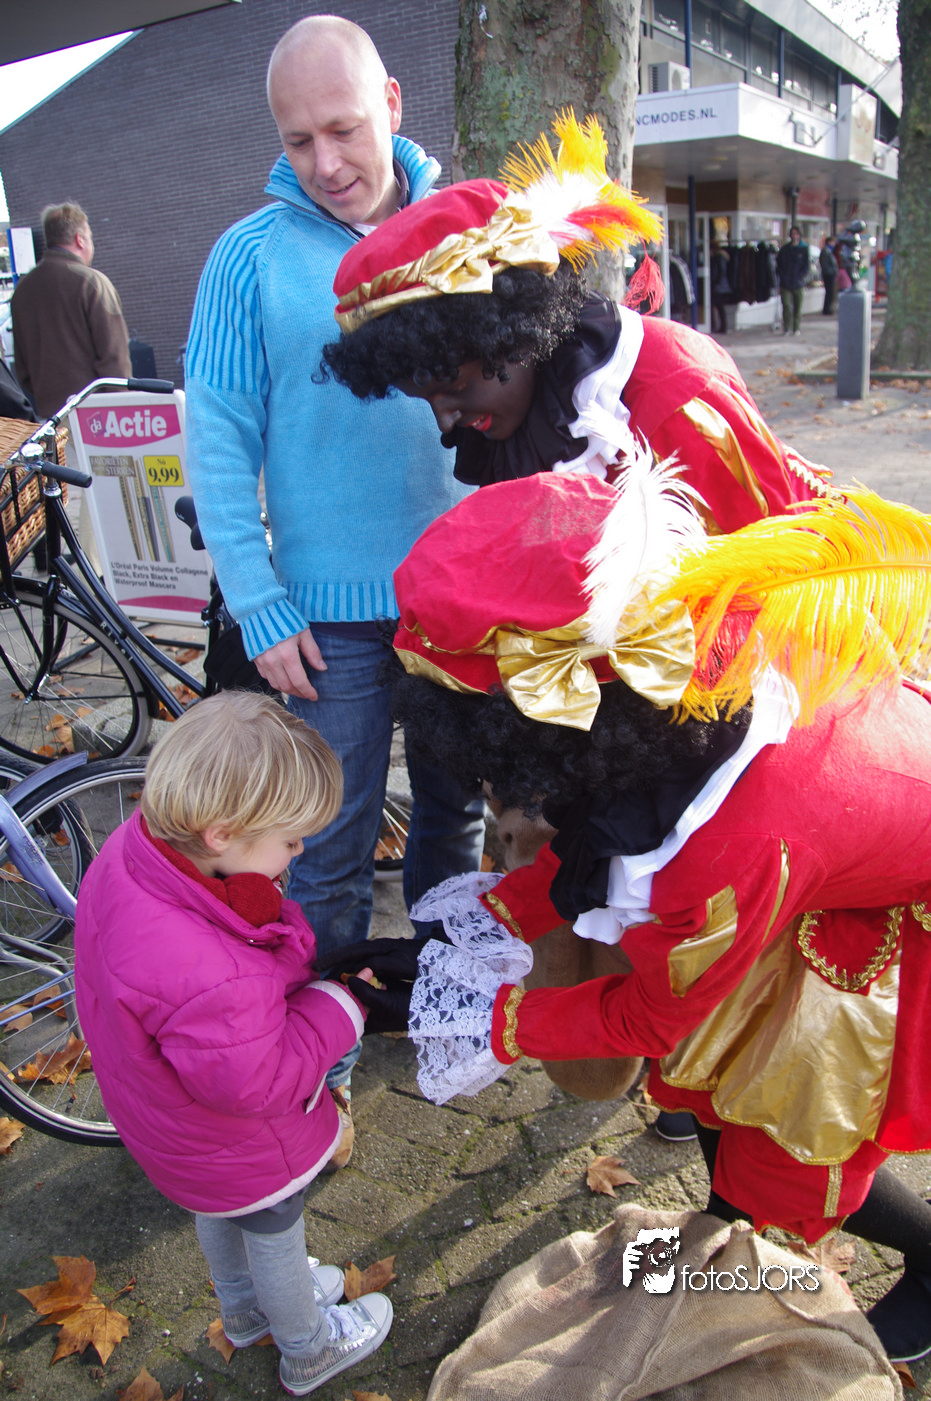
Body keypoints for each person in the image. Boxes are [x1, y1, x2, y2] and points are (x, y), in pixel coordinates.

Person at [331, 467, 931, 1367]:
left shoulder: (722, 847)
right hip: (814, 851)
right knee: (720, 1087)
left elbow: (649, 1016)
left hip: (876, 902)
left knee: (783, 1122)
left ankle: (862, 1263)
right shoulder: (673, 689)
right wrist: (464, 936)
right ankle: (712, 1253)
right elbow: (599, 837)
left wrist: (485, 1016)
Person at [184, 14, 487, 1157]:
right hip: (328, 623)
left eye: (344, 129)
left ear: (393, 105)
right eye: (297, 139)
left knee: (456, 820)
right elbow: (216, 435)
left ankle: (446, 1005)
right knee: (323, 848)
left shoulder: (467, 231)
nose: (325, 161)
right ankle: (324, 1058)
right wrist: (258, 599)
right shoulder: (248, 257)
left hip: (463, 608)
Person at [74, 692, 393, 1396]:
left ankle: (244, 1313)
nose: (300, 852)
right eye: (290, 840)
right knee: (275, 1227)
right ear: (221, 834)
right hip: (239, 1138)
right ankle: (307, 1346)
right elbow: (258, 1078)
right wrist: (341, 1006)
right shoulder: (210, 967)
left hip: (174, 1126)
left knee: (219, 1210)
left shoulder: (136, 852)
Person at [323, 113, 830, 534]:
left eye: (453, 387)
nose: (445, 421)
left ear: (508, 331)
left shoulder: (675, 391)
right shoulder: (512, 426)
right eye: (427, 399)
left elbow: (778, 573)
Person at [10, 201, 131, 418]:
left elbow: (23, 372)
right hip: (100, 419)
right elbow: (115, 362)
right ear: (80, 239)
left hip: (51, 420)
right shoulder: (92, 283)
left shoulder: (22, 291)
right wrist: (123, 411)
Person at [775, 225, 809, 336]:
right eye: (793, 234)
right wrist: (782, 276)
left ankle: (796, 328)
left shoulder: (804, 249)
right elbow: (779, 265)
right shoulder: (785, 249)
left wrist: (801, 276)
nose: (794, 236)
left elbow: (806, 265)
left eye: (796, 234)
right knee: (786, 306)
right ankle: (787, 327)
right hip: (786, 283)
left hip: (798, 283)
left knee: (797, 308)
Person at [709, 239, 731, 334]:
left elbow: (720, 271)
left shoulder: (718, 257)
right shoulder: (721, 257)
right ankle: (721, 326)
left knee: (718, 306)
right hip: (720, 285)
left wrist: (716, 282)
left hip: (719, 286)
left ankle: (720, 326)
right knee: (719, 306)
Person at [820, 234, 838, 315]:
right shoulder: (826, 251)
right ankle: (827, 309)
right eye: (833, 242)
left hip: (830, 274)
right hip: (828, 275)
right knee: (829, 292)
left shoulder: (829, 251)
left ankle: (828, 308)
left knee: (830, 292)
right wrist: (831, 272)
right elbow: (825, 264)